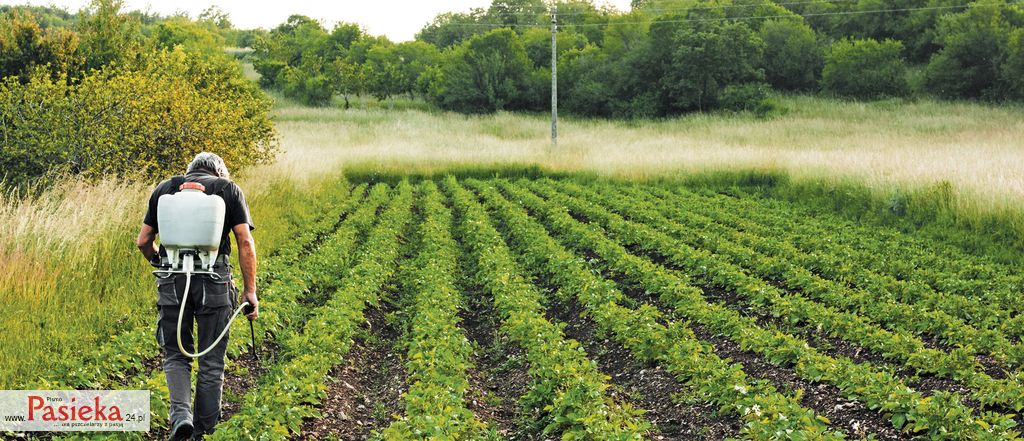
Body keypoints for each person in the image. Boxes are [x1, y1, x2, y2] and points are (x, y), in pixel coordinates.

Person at [135, 152, 259, 440]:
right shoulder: (229, 190)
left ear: (190, 171)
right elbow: (244, 241)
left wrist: (160, 263)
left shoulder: (165, 189)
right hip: (214, 281)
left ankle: (180, 418)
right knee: (211, 360)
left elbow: (143, 241)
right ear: (219, 171)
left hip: (172, 279)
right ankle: (204, 432)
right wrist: (250, 290)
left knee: (176, 354)